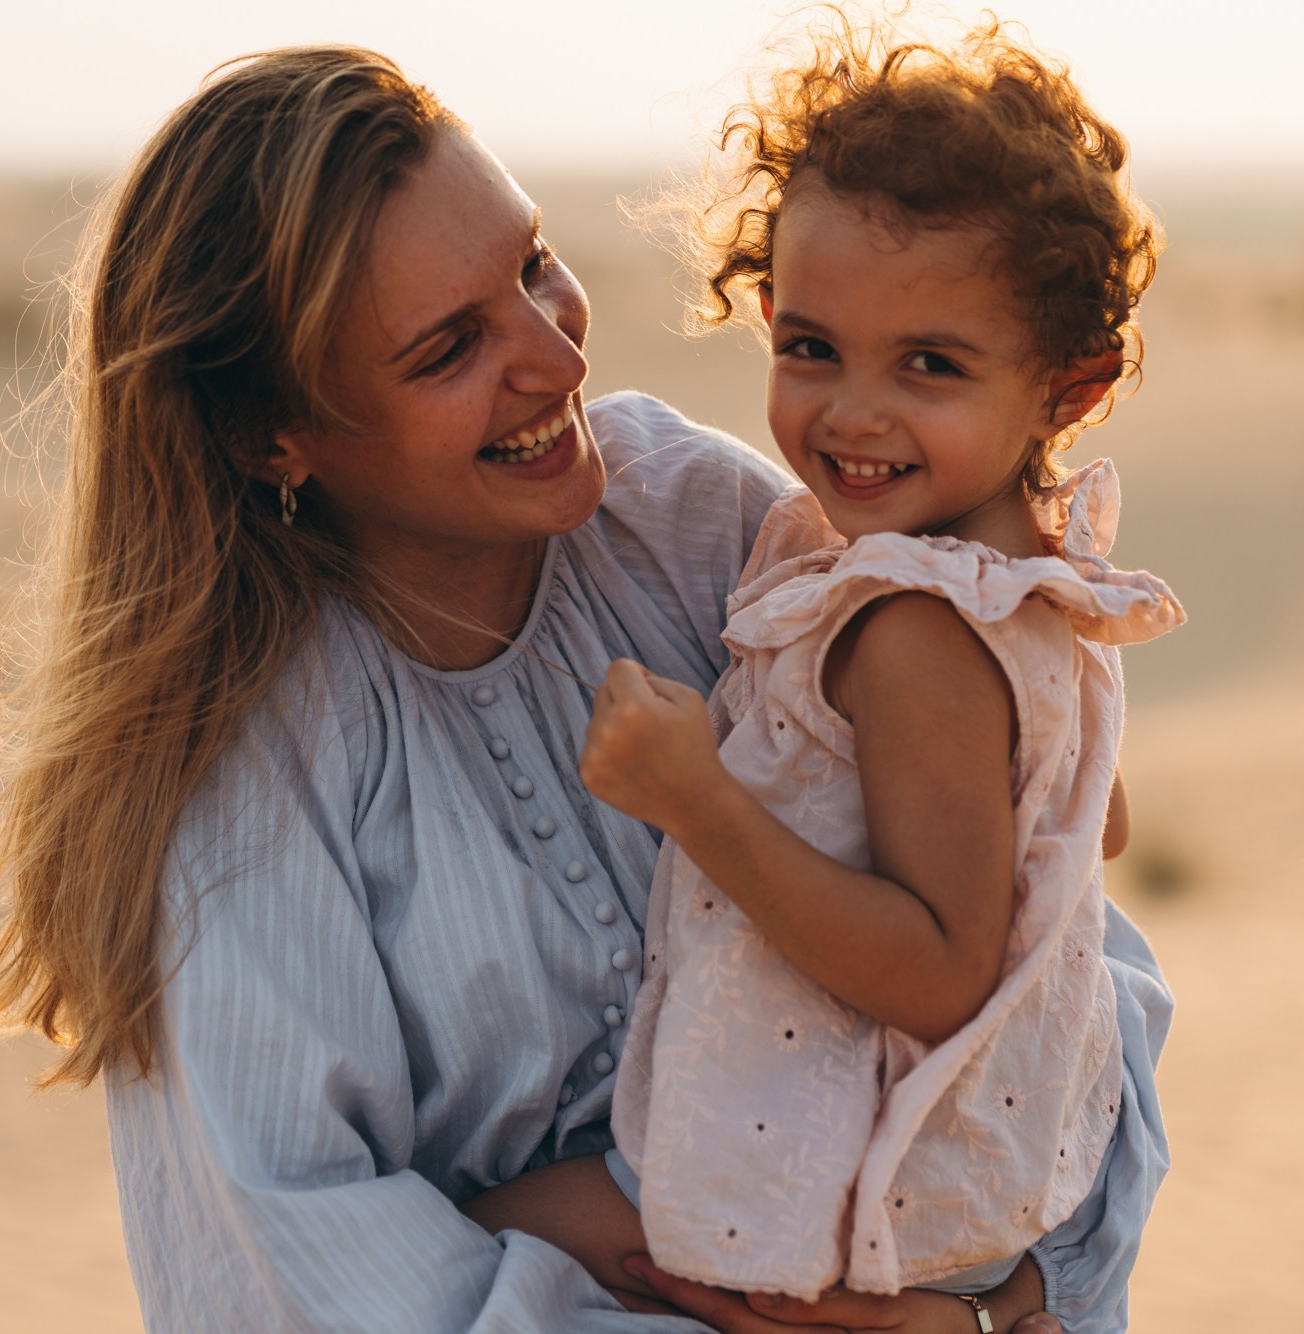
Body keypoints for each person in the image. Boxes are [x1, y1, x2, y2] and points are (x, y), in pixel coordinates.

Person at [0, 41, 1172, 1334]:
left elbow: (1062, 975)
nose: (557, 360)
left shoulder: (703, 524)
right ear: (271, 437)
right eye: (451, 347)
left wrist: (1007, 1302)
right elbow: (304, 1276)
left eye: (533, 266)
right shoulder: (248, 768)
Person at [456, 14, 1182, 1321]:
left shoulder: (915, 626)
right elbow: (1090, 821)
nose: (852, 410)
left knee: (463, 1240)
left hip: (844, 1173)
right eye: (811, 347)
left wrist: (695, 798)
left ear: (1069, 390)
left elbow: (943, 972)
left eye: (931, 365)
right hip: (962, 1179)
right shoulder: (1038, 583)